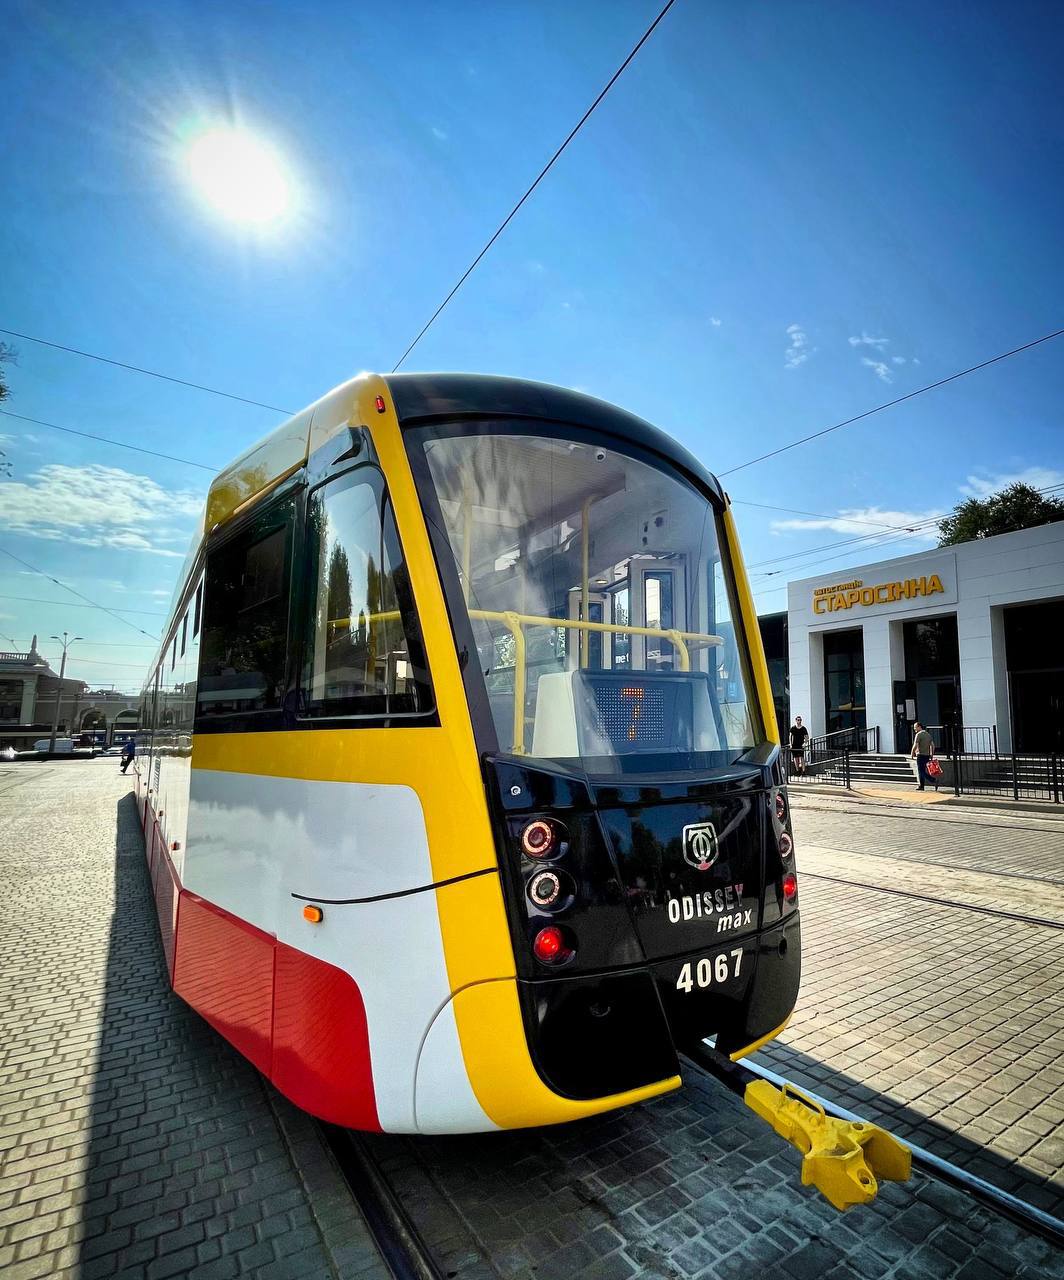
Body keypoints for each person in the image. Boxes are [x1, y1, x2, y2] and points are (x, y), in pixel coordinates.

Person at [910, 722, 936, 790]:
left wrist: (912, 753)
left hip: (920, 755)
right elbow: (932, 745)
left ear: (919, 727)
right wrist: (931, 755)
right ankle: (921, 786)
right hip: (927, 755)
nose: (914, 729)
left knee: (921, 771)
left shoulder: (918, 734)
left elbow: (915, 745)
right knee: (922, 771)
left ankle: (933, 780)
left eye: (915, 727)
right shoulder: (928, 734)